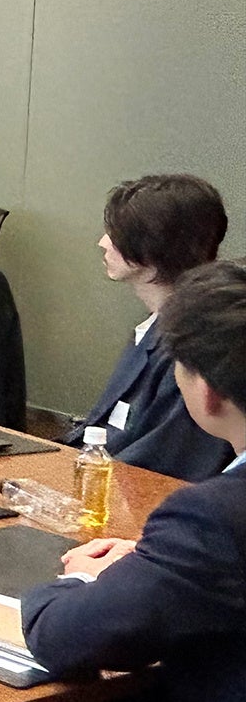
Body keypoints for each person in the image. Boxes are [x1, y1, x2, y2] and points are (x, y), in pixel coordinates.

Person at [22, 259, 246, 702]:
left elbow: (61, 637)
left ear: (208, 390)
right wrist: (162, 566)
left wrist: (86, 579)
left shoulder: (217, 517)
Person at [63, 175, 233, 482]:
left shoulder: (197, 346)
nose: (102, 243)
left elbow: (163, 462)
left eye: (115, 235)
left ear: (152, 248)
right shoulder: (155, 329)